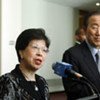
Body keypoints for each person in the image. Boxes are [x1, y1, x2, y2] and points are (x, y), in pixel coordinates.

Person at [0, 28, 50, 100]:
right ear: (21, 52)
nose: (40, 53)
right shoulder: (8, 81)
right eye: (35, 47)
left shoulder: (42, 81)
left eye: (44, 50)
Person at [62, 11, 100, 100]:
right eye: (94, 27)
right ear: (85, 29)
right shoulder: (71, 54)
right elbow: (73, 89)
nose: (98, 33)